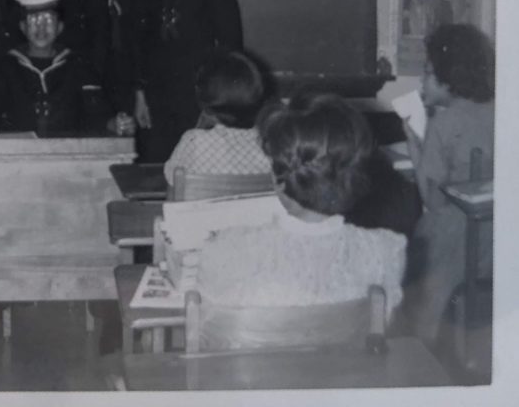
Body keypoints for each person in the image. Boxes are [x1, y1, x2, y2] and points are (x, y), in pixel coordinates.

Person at [187, 94, 407, 348]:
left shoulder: (224, 250)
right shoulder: (386, 251)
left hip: (250, 383)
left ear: (277, 177)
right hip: (342, 383)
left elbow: (205, 336)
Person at [402, 23, 495, 344]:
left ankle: (421, 347)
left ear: (449, 78)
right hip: (493, 234)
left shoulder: (444, 123)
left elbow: (432, 198)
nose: (421, 81)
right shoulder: (496, 111)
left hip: (454, 240)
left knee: (413, 255)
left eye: (427, 72)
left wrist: (416, 146)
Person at [135, 0, 243, 163]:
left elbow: (230, 41)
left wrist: (215, 103)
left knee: (192, 163)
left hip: (195, 92)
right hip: (155, 92)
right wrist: (138, 94)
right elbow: (137, 39)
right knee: (153, 163)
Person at [0, 0, 129, 136]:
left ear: (60, 27)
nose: (41, 28)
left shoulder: (78, 67)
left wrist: (114, 124)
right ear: (22, 27)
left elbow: (97, 113)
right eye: (33, 21)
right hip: (18, 156)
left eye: (48, 21)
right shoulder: (6, 68)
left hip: (69, 155)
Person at [163, 49, 272, 185]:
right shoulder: (269, 144)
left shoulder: (195, 141)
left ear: (204, 100)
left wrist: (199, 129)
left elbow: (171, 178)